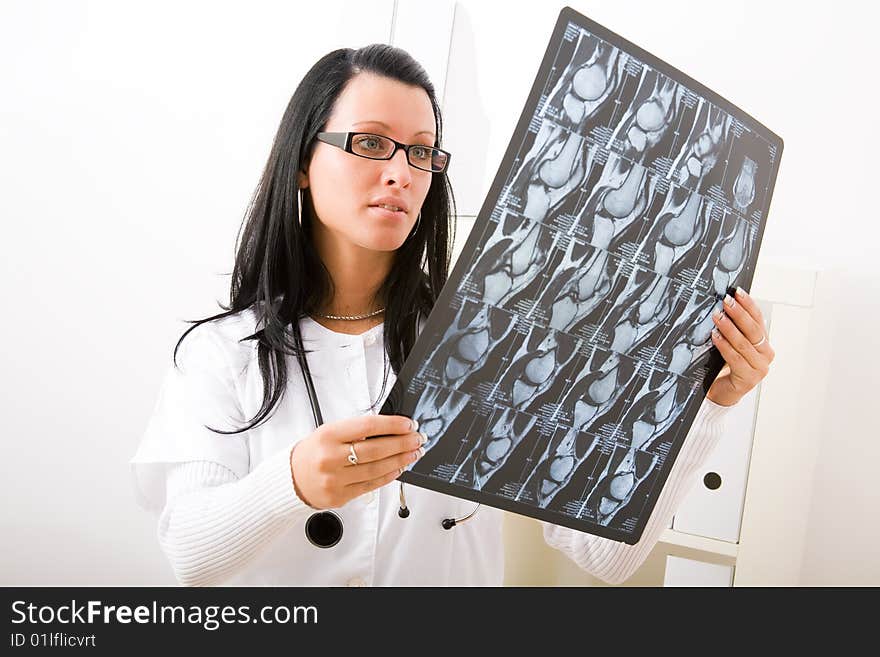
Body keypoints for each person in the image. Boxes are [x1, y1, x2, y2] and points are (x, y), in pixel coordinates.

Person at [130, 44, 775, 587]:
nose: (400, 173)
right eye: (370, 143)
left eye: (421, 152)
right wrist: (292, 482)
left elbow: (607, 556)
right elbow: (189, 555)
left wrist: (707, 408)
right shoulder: (223, 351)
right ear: (302, 160)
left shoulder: (494, 337)